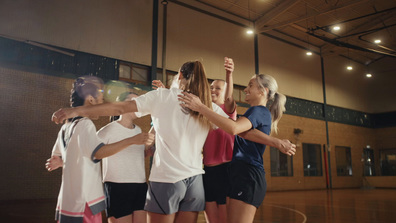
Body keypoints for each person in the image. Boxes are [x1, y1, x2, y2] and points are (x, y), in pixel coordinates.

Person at [51, 61, 230, 223]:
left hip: (168, 179)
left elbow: (119, 107)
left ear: (180, 75)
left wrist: (77, 110)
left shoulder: (162, 97)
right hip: (195, 181)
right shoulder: (207, 106)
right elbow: (234, 128)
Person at [178, 73, 294, 223]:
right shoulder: (252, 114)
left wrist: (201, 107)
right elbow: (245, 133)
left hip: (249, 176)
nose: (246, 89)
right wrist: (276, 142)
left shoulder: (258, 111)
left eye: (250, 85)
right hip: (240, 174)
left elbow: (233, 128)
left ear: (263, 91)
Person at [45, 77, 154, 223]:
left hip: (136, 186)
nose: (101, 106)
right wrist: (131, 141)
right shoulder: (93, 127)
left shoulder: (66, 128)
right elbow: (97, 152)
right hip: (97, 193)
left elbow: (71, 152)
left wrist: (61, 161)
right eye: (100, 100)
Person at [96, 92, 148, 223]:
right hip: (117, 187)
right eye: (134, 101)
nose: (139, 105)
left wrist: (148, 151)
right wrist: (131, 140)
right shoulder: (108, 130)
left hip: (140, 186)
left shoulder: (138, 130)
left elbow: (133, 155)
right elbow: (96, 153)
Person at [202, 57, 236, 223]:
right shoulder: (204, 112)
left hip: (225, 169)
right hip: (207, 170)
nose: (213, 90)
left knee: (223, 216)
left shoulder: (227, 111)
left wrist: (229, 74)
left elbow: (229, 99)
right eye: (211, 87)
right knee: (210, 214)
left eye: (218, 88)